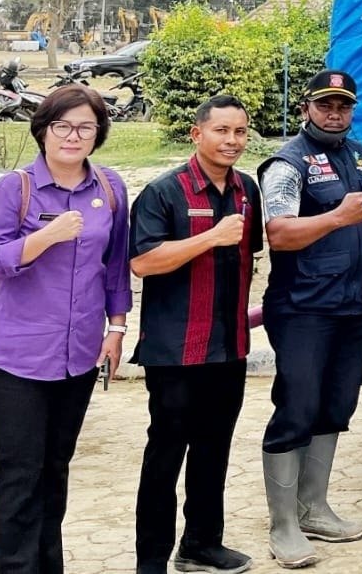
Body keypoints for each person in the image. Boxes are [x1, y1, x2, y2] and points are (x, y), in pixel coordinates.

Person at [0, 85, 129, 573]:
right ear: (43, 130)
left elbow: (115, 266)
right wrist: (42, 238)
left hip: (78, 356)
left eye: (85, 127)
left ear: (98, 134)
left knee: (55, 470)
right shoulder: (14, 188)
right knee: (20, 473)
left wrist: (117, 327)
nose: (73, 136)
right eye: (62, 126)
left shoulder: (109, 188)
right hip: (14, 360)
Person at [129, 95, 262, 574]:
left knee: (214, 451)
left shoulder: (247, 190)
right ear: (197, 133)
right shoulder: (163, 192)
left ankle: (202, 543)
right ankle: (152, 561)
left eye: (240, 132)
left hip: (229, 350)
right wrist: (209, 236)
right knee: (164, 458)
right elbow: (143, 262)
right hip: (175, 353)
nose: (232, 141)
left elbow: (248, 260)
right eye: (222, 131)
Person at [258, 69, 362, 568]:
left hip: (352, 306)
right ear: (306, 107)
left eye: (343, 105)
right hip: (304, 308)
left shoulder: (358, 154)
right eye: (326, 104)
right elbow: (279, 233)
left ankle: (314, 508)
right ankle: (283, 524)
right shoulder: (287, 164)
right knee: (296, 409)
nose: (335, 113)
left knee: (336, 407)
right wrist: (335, 218)